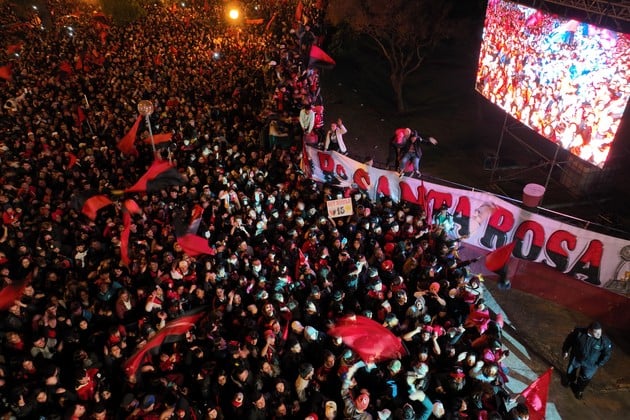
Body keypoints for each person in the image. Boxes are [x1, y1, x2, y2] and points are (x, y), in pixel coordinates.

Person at [561, 321, 612, 399]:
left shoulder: (604, 341)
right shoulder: (579, 333)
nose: (599, 334)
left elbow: (607, 353)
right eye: (596, 332)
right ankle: (570, 381)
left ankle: (579, 390)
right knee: (571, 371)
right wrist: (565, 350)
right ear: (590, 330)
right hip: (576, 358)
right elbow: (569, 340)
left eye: (600, 332)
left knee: (585, 378)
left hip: (591, 364)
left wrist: (599, 364)